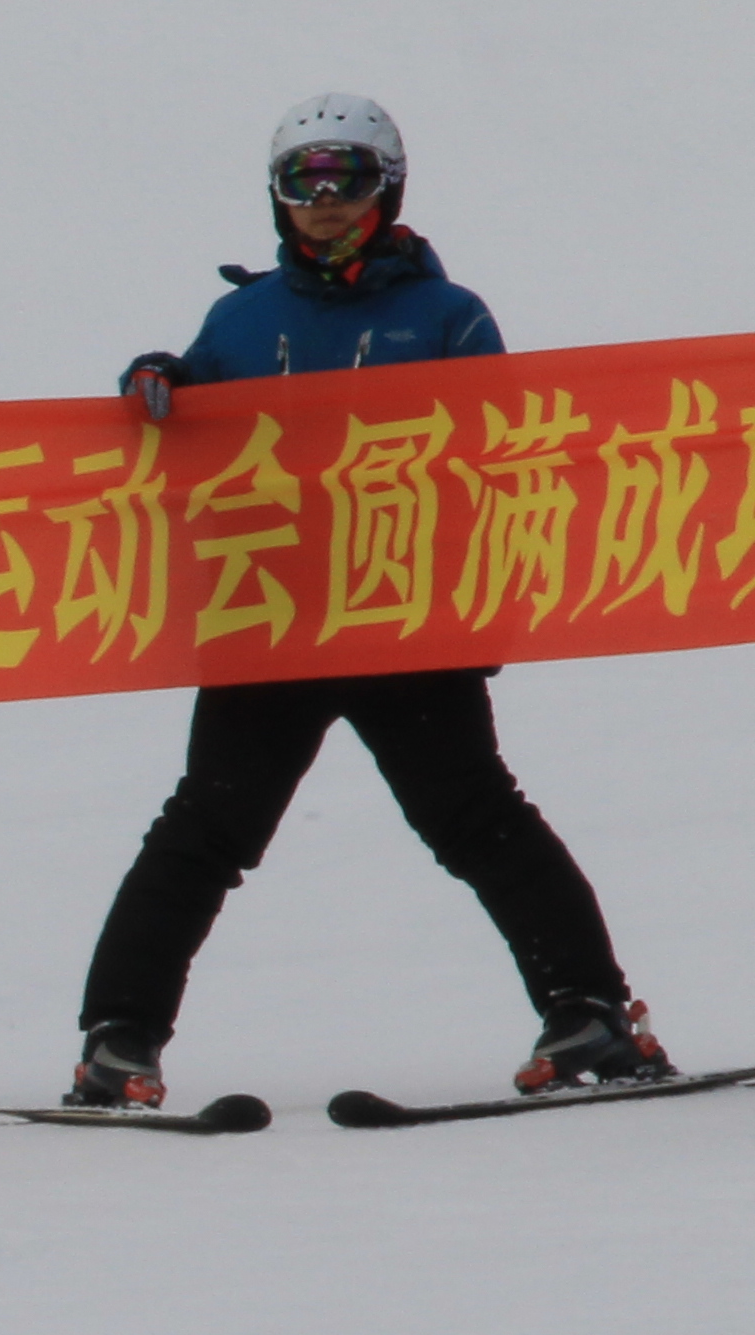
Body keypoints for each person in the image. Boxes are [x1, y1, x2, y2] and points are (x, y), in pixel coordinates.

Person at [66, 93, 671, 1106]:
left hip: (404, 615)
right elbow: (185, 431)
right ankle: (118, 1039)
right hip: (272, 617)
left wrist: (482, 608)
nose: (324, 202)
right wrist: (154, 377)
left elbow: (502, 462)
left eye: (344, 178)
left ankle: (591, 1014)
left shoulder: (447, 316)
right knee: (206, 830)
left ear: (387, 188)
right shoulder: (242, 319)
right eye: (302, 182)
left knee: (475, 819)